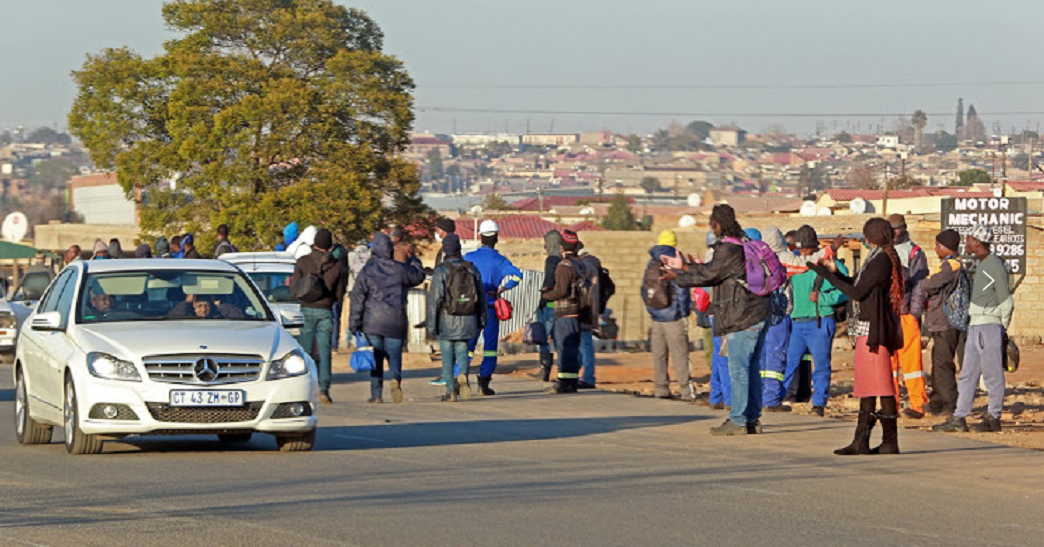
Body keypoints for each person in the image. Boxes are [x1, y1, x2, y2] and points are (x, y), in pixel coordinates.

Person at [662, 205, 770, 436]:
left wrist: (678, 277)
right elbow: (714, 271)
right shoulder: (743, 244)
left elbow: (709, 275)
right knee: (751, 368)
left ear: (717, 224)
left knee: (739, 369)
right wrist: (686, 267)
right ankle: (752, 419)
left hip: (742, 314)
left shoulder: (728, 248)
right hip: (759, 312)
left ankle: (739, 420)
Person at [809, 217, 905, 455]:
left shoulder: (881, 260)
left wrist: (827, 275)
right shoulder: (878, 258)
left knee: (880, 386)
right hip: (870, 327)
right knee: (871, 386)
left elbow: (857, 292)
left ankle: (882, 440)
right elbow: (858, 285)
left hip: (873, 329)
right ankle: (868, 440)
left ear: (870, 237)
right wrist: (834, 273)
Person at [934, 226, 1013, 433]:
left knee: (992, 374)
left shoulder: (994, 265)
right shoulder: (979, 264)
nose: (965, 244)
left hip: (988, 326)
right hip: (975, 325)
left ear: (977, 242)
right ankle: (959, 417)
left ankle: (993, 416)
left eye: (968, 240)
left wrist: (1001, 326)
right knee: (967, 374)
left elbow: (1006, 299)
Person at [350, 232, 425, 404]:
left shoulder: (367, 271)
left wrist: (354, 322)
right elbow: (418, 276)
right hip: (395, 321)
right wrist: (413, 259)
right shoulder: (400, 269)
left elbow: (357, 298)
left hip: (372, 322)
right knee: (394, 355)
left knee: (375, 358)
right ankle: (395, 379)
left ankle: (376, 394)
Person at [783, 225, 848, 416]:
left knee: (821, 365)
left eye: (805, 248)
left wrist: (823, 299)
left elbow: (847, 288)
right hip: (797, 322)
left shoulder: (828, 261)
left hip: (820, 322)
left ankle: (819, 404)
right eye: (799, 248)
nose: (801, 251)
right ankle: (777, 399)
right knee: (789, 363)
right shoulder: (794, 264)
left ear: (814, 245)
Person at [465, 220, 523, 396]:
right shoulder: (501, 260)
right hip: (491, 307)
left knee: (467, 345)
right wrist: (504, 288)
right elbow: (518, 276)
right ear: (496, 237)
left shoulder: (469, 257)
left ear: (480, 236)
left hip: (471, 308)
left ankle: (459, 377)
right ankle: (484, 382)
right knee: (489, 347)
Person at [426, 234, 486, 402]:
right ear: (459, 248)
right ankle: (463, 375)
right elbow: (480, 296)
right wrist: (482, 320)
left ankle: (451, 391)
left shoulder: (441, 270)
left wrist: (431, 326)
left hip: (447, 320)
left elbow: (435, 300)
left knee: (446, 354)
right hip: (468, 318)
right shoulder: (472, 268)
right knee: (462, 350)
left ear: (445, 250)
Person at [295, 228, 348, 404]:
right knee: (325, 351)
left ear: (315, 244)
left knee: (306, 351)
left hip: (307, 310)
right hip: (325, 310)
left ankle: (304, 388)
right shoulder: (338, 265)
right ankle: (324, 390)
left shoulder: (303, 262)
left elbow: (294, 289)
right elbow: (340, 294)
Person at [643, 230, 696, 401]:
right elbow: (682, 288)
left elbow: (644, 290)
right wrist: (684, 311)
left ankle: (661, 388)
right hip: (674, 317)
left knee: (659, 354)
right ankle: (686, 391)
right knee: (680, 354)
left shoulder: (652, 262)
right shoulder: (676, 260)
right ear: (674, 242)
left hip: (657, 317)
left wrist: (652, 310)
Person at [888, 214, 930, 419]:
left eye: (897, 228)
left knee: (912, 363)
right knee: (890, 364)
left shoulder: (914, 252)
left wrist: (914, 314)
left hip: (906, 315)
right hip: (888, 314)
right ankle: (891, 405)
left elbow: (919, 286)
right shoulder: (882, 251)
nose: (895, 232)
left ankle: (918, 404)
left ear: (904, 228)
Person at [922, 229, 965, 417]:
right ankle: (937, 400)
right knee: (937, 362)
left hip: (946, 322)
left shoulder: (950, 266)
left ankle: (949, 403)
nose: (935, 249)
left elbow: (930, 285)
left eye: (938, 245)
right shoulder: (952, 265)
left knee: (943, 363)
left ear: (947, 248)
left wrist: (923, 282)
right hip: (943, 321)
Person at [541, 229, 584, 393]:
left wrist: (546, 295)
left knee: (565, 347)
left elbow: (560, 291)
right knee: (572, 347)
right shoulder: (579, 263)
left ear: (562, 247)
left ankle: (565, 383)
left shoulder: (563, 266)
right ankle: (571, 380)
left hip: (565, 311)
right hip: (576, 311)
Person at [760, 228, 795, 413]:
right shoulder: (785, 259)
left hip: (761, 314)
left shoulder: (757, 259)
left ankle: (760, 396)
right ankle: (772, 399)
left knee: (762, 356)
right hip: (780, 315)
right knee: (776, 356)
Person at [704, 231, 731, 410]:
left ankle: (716, 397)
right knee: (725, 356)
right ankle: (729, 400)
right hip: (725, 313)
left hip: (713, 312)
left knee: (717, 355)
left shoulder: (709, 261)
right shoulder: (725, 262)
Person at [537, 230, 563, 382]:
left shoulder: (551, 260)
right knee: (559, 340)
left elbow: (549, 283)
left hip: (550, 305)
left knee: (543, 338)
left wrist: (542, 299)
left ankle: (545, 369)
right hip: (562, 307)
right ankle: (562, 370)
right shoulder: (565, 260)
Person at [577, 240, 602, 389]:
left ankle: (587, 377)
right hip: (590, 308)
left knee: (585, 344)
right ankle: (583, 375)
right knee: (583, 343)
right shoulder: (593, 263)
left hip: (584, 309)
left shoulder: (586, 266)